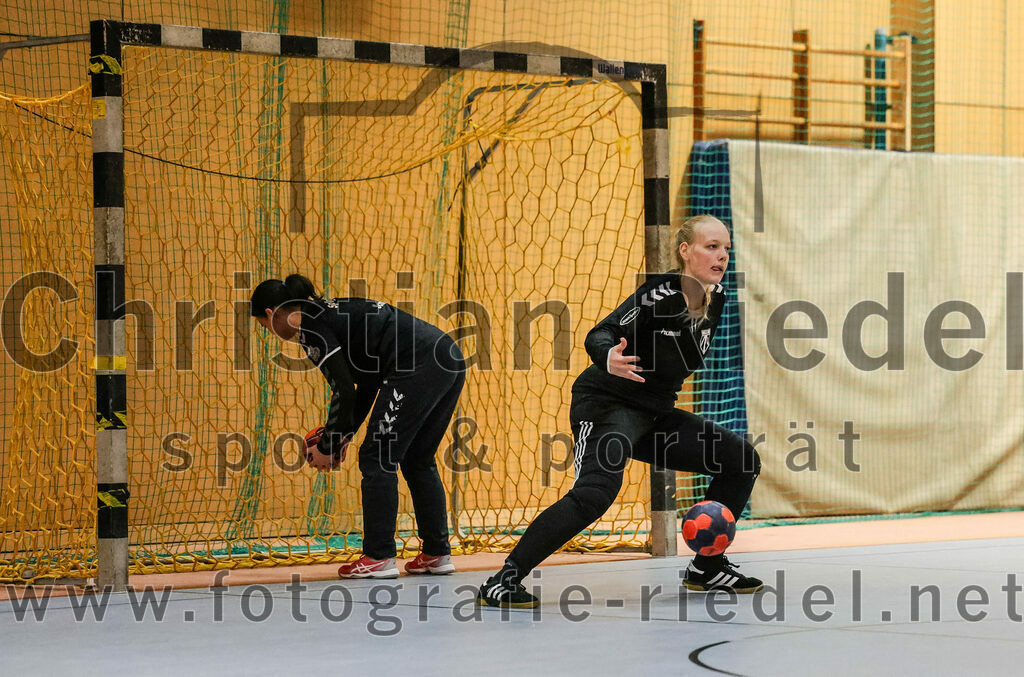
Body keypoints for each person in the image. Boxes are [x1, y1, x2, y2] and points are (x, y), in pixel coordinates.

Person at [477, 214, 763, 608]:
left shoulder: (717, 301)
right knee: (596, 492)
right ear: (685, 250)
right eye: (711, 246)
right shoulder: (660, 292)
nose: (722, 256)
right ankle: (504, 578)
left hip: (655, 414)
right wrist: (607, 355)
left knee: (741, 459)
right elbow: (602, 332)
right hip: (608, 404)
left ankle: (706, 568)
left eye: (726, 249)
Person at [251, 274, 465, 579]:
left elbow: (345, 391)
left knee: (377, 456)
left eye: (264, 326)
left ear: (271, 315)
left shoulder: (311, 328)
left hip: (418, 363)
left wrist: (327, 446)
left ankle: (378, 557)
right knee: (417, 458)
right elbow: (366, 383)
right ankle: (437, 553)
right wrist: (344, 434)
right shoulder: (324, 313)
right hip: (447, 356)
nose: (270, 332)